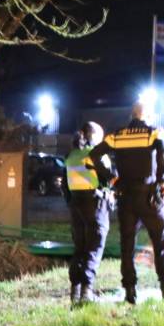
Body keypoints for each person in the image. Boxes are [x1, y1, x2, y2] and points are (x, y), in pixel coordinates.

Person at [90, 102, 164, 304]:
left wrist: (112, 178)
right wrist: (161, 181)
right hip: (149, 196)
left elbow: (93, 155)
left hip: (126, 196)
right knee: (161, 241)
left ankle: (130, 291)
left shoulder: (117, 135)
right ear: (148, 115)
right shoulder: (155, 133)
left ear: (132, 114)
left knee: (127, 245)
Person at [63, 121, 115, 305]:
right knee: (94, 246)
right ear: (95, 137)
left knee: (80, 247)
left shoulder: (71, 155)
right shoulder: (96, 154)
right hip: (95, 203)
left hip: (75, 204)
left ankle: (75, 290)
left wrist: (70, 202)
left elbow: (65, 185)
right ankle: (87, 290)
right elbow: (110, 178)